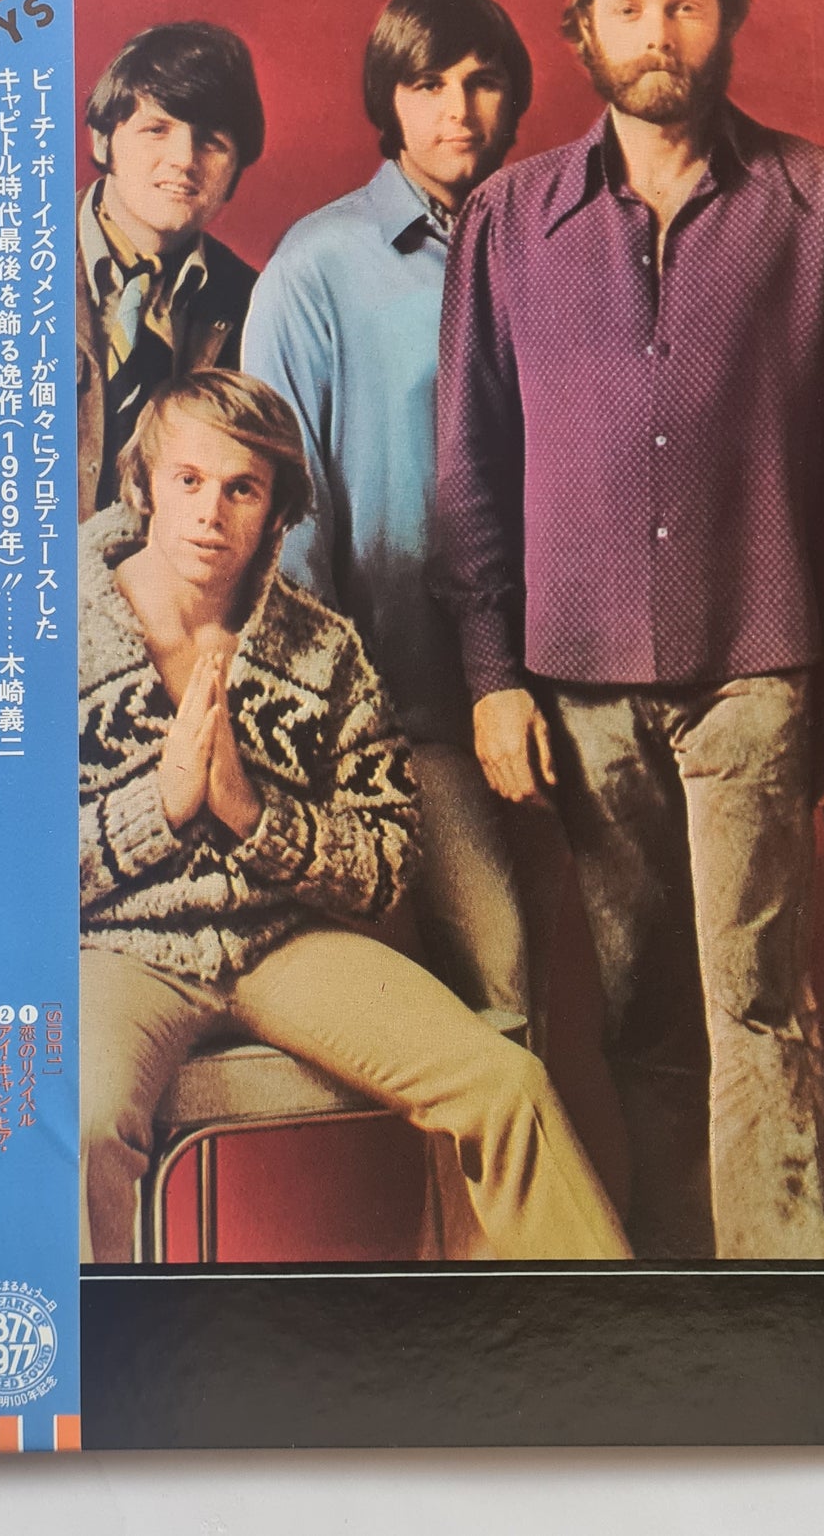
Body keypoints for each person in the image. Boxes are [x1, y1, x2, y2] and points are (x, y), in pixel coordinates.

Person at [433, 0, 824, 1259]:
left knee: (755, 1002)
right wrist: (490, 674)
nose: (659, 36)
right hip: (576, 678)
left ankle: (779, 1308)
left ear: (727, 22)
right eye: (629, 10)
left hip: (756, 657)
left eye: (685, 7)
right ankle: (679, 1306)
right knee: (640, 1010)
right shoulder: (509, 219)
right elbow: (469, 462)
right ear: (583, 31)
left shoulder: (809, 200)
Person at [78, 370, 630, 1264]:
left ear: (278, 511)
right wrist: (159, 809)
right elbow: (1, 874)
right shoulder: (48, 636)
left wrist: (256, 818)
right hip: (121, 953)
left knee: (506, 1083)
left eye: (241, 489)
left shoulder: (324, 650)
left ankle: (606, 1330)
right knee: (78, 1120)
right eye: (188, 480)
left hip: (283, 944)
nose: (210, 513)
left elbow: (384, 863)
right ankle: (80, 1349)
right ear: (143, 486)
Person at [243, 0, 562, 1051]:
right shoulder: (316, 266)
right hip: (405, 711)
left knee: (576, 1007)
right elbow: (286, 524)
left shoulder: (553, 246)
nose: (458, 111)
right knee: (494, 1002)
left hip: (557, 691)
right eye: (428, 84)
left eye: (482, 82)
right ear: (389, 98)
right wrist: (338, 728)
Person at [76, 23, 266, 520]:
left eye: (212, 141)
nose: (184, 160)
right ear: (103, 140)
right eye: (156, 129)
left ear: (236, 171)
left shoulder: (253, 303)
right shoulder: (5, 266)